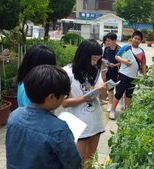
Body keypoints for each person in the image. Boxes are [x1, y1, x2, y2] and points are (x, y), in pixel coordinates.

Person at [6, 65, 82, 169]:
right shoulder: (59, 129)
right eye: (64, 95)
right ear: (51, 97)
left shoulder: (14, 115)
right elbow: (73, 164)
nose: (65, 98)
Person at [62, 39, 108, 169]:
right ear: (84, 55)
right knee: (79, 160)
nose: (95, 63)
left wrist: (103, 91)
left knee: (90, 159)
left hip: (95, 121)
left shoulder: (95, 71)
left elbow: (103, 97)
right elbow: (64, 103)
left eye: (98, 60)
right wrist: (85, 98)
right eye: (93, 59)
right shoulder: (67, 73)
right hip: (78, 124)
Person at [110, 30, 147, 120]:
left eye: (139, 39)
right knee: (119, 93)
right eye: (135, 38)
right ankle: (112, 110)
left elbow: (143, 64)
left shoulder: (141, 51)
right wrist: (124, 61)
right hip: (123, 74)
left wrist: (145, 76)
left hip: (133, 77)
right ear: (132, 38)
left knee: (129, 95)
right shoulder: (126, 47)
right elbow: (117, 56)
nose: (136, 40)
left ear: (141, 41)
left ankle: (127, 113)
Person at [102, 32, 121, 112]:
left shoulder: (120, 49)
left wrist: (115, 65)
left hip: (118, 71)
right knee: (110, 89)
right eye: (106, 41)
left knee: (119, 89)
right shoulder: (106, 49)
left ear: (114, 40)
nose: (107, 42)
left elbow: (123, 62)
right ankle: (111, 105)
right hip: (109, 71)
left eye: (109, 40)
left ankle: (121, 102)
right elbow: (104, 59)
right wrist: (105, 63)